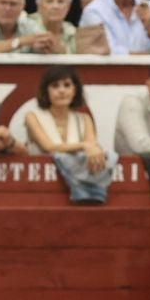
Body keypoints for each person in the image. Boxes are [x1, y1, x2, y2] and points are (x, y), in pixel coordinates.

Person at [23, 65, 114, 205]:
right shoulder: (33, 116)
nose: (62, 91)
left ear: (75, 90)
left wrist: (91, 148)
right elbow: (49, 147)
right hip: (40, 187)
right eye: (55, 86)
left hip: (78, 188)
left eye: (67, 85)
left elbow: (92, 148)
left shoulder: (84, 119)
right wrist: (84, 145)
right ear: (46, 91)